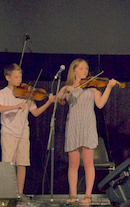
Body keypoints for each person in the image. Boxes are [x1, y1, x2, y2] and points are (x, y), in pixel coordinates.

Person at [57, 58, 117, 205]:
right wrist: (66, 89)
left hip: (88, 126)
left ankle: (88, 195)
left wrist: (108, 87)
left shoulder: (92, 87)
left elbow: (100, 104)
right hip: (73, 126)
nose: (84, 71)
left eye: (86, 68)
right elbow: (59, 98)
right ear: (74, 70)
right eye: (81, 68)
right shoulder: (69, 87)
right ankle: (73, 194)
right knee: (73, 163)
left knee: (89, 162)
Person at [0, 63, 54, 205]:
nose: (19, 79)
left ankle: (19, 193)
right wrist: (16, 106)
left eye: (20, 76)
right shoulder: (2, 93)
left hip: (23, 133)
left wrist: (49, 102)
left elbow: (35, 112)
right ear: (8, 77)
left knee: (22, 163)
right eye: (16, 77)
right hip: (9, 133)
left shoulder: (26, 94)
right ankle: (7, 195)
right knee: (8, 164)